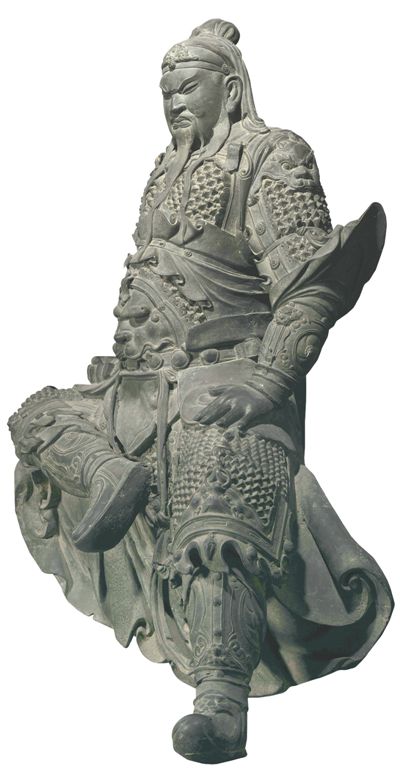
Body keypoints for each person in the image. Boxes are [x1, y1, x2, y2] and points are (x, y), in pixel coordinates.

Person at [9, 18, 393, 765]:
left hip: (228, 371)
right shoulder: (163, 170)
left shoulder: (273, 156)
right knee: (39, 415)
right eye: (166, 92)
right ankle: (111, 474)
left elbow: (310, 282)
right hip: (137, 385)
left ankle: (221, 700)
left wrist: (270, 380)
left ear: (231, 87)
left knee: (218, 463)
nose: (175, 102)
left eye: (188, 86)